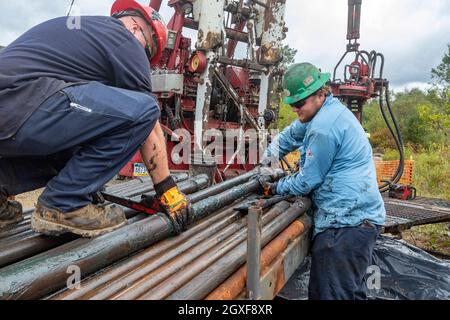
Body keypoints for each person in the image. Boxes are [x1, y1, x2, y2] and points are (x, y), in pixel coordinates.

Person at [0, 0, 190, 237]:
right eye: (147, 50)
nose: (143, 59)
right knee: (146, 108)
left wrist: (90, 183)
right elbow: (148, 123)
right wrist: (166, 188)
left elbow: (85, 121)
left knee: (79, 141)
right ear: (134, 27)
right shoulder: (123, 38)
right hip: (26, 105)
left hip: (13, 112)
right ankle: (64, 205)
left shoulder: (80, 36)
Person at [262, 62, 386, 300]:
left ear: (320, 93)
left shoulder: (324, 127)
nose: (296, 109)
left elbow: (306, 181)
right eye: (293, 104)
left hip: (345, 226)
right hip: (358, 220)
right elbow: (291, 134)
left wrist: (275, 186)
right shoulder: (325, 111)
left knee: (332, 294)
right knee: (344, 292)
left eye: (300, 103)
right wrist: (267, 160)